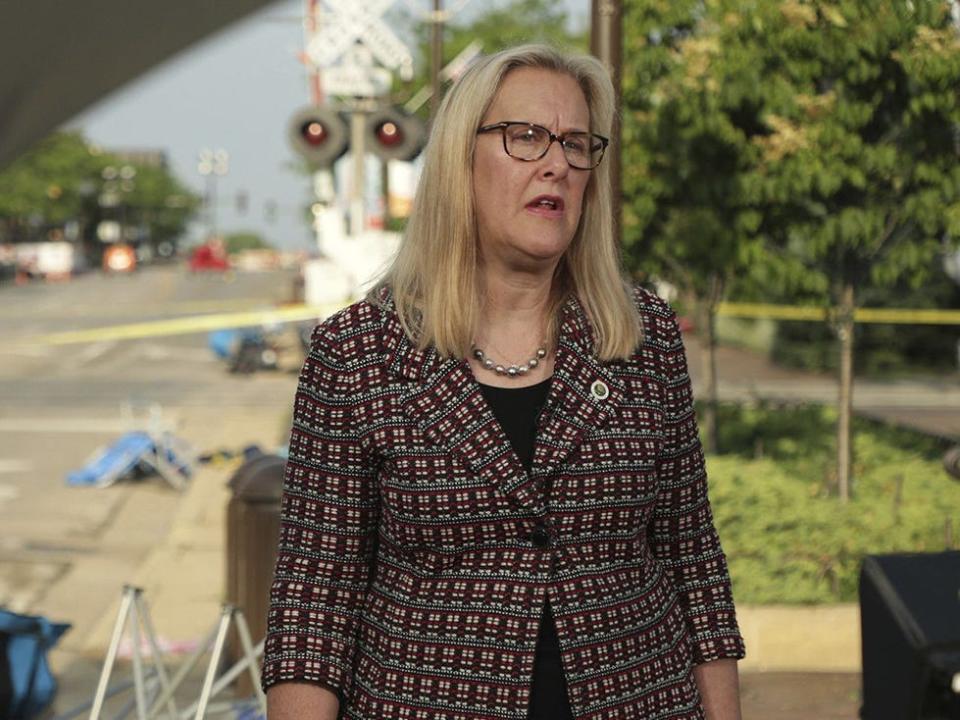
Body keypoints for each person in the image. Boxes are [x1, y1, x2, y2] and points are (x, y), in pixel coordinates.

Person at [262, 44, 746, 720]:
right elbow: (313, 612)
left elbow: (694, 567)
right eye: (526, 137)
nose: (557, 163)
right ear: (462, 158)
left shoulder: (645, 339)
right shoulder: (357, 353)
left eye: (577, 144)